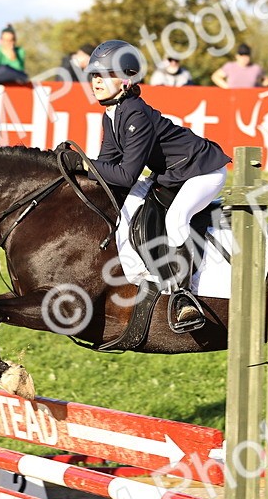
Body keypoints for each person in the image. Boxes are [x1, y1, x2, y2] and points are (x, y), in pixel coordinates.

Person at [75, 40, 230, 333]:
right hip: (173, 175)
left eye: (104, 75)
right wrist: (80, 171)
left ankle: (184, 298)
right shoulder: (112, 114)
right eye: (94, 75)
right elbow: (106, 164)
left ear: (125, 79)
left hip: (203, 172)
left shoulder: (135, 113)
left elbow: (124, 175)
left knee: (175, 218)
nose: (96, 81)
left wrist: (84, 164)